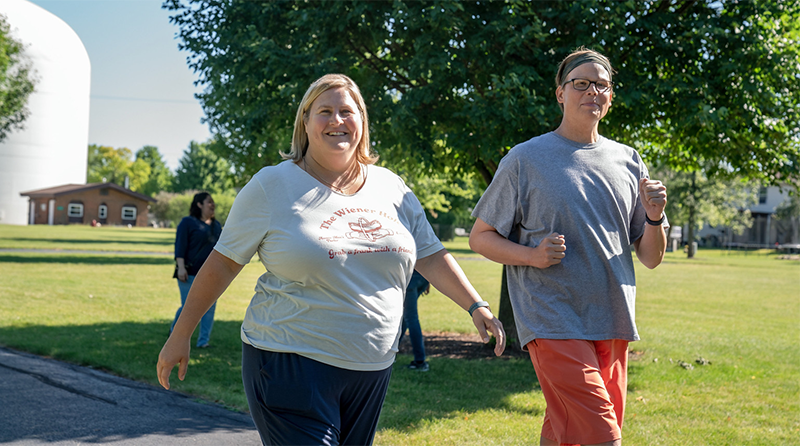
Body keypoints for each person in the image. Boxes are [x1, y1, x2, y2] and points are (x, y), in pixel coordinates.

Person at [157, 74, 505, 446]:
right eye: (325, 111)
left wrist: (476, 305)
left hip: (371, 369)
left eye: (346, 111)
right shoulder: (272, 186)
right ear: (305, 122)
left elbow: (431, 255)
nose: (337, 120)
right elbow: (223, 263)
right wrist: (181, 334)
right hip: (288, 363)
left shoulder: (392, 187)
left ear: (362, 122)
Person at [469, 48, 668, 446]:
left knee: (566, 431)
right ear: (560, 93)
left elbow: (650, 257)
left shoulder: (629, 160)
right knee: (602, 433)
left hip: (612, 316)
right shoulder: (524, 159)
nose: (591, 91)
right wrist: (531, 256)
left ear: (611, 96)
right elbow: (481, 236)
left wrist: (654, 216)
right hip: (551, 317)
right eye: (581, 84)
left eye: (601, 85)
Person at [171, 192, 222, 349]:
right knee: (188, 307)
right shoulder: (188, 222)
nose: (212, 204)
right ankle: (174, 336)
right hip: (189, 272)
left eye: (213, 202)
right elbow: (180, 246)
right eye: (209, 202)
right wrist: (180, 267)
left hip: (210, 275)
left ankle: (203, 342)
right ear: (199, 204)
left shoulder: (217, 226)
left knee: (209, 307)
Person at [401, 270, 430, 371]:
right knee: (406, 316)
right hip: (423, 278)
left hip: (410, 281)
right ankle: (391, 350)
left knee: (411, 318)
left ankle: (420, 361)